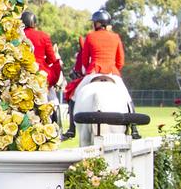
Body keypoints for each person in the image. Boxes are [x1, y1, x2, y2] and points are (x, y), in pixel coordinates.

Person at [62, 9, 136, 139]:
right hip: (112, 72)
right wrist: (114, 70)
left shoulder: (90, 36)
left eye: (94, 22)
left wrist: (86, 70)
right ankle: (134, 129)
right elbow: (121, 61)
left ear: (97, 23)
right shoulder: (115, 37)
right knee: (127, 98)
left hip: (93, 72)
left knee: (73, 97)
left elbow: (85, 61)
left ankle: (71, 129)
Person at [22, 10, 62, 88]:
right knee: (53, 99)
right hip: (40, 73)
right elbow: (52, 59)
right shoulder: (43, 36)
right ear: (34, 23)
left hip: (19, 72)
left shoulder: (16, 35)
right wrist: (44, 62)